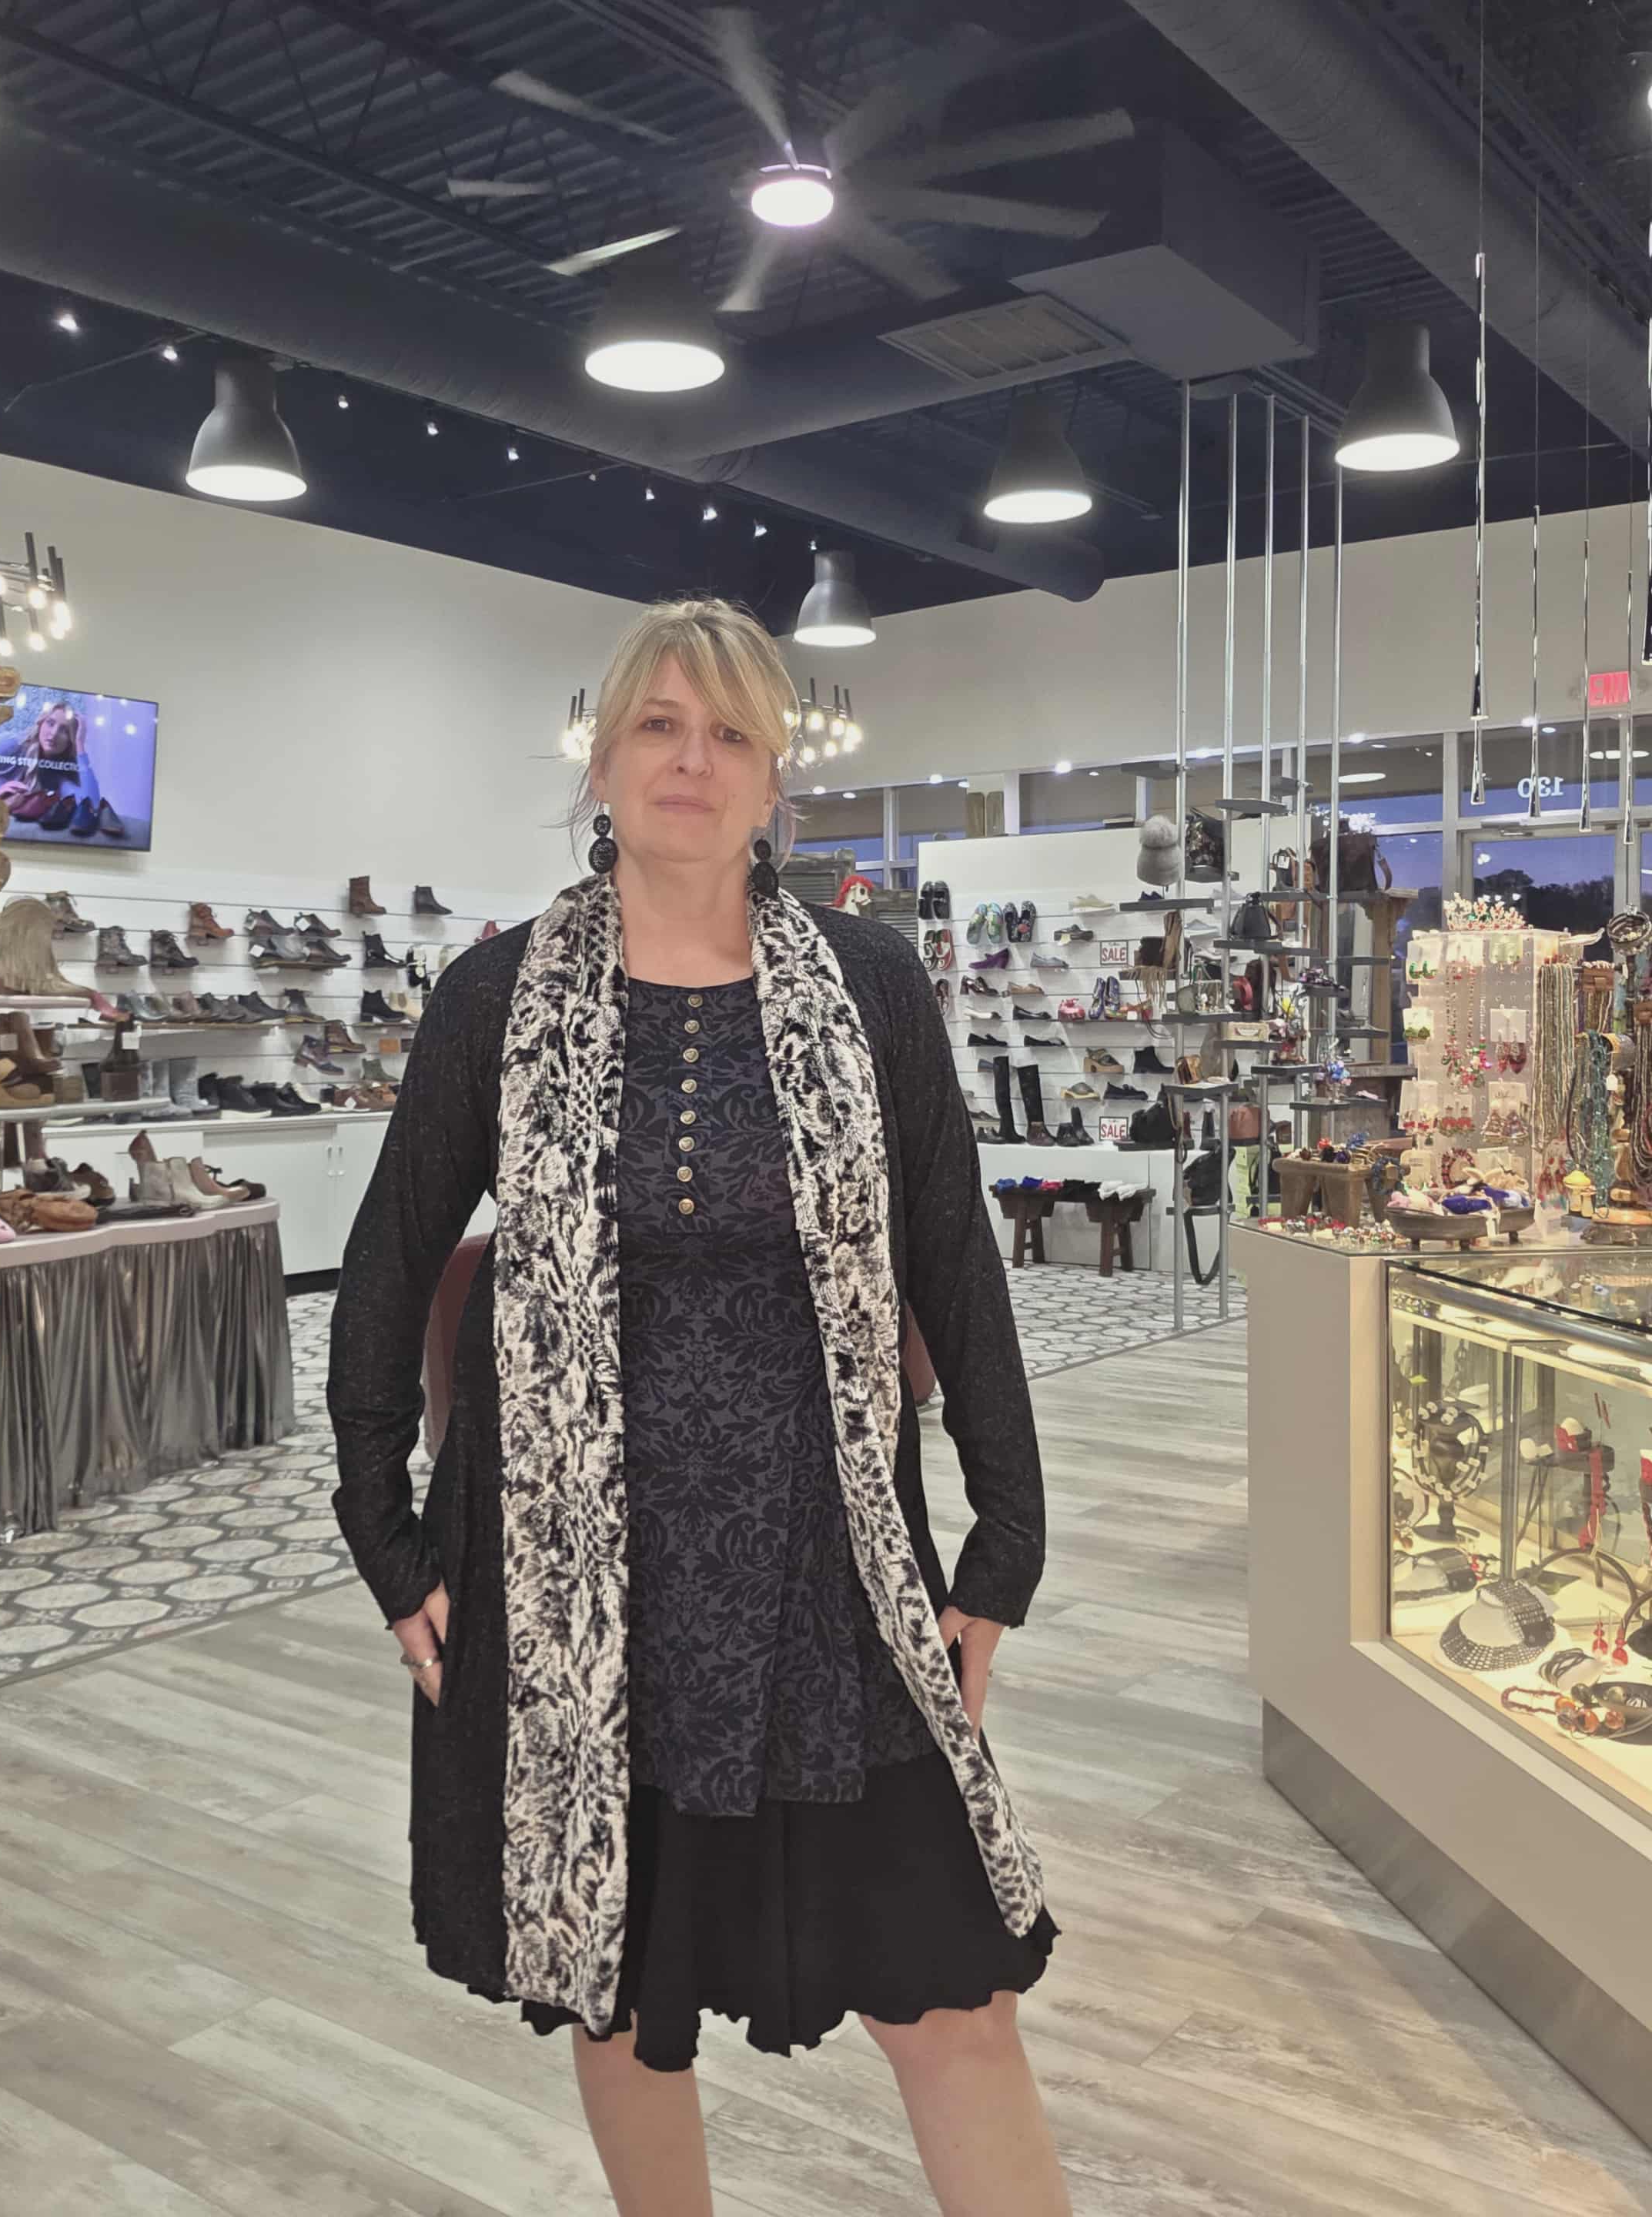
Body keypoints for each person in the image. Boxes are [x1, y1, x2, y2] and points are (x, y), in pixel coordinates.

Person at [326, 596, 1068, 2217]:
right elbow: (387, 1270)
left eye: (731, 733)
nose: (693, 760)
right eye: (659, 725)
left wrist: (1005, 1544)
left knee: (953, 1994)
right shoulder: (496, 999)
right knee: (620, 1992)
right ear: (601, 761)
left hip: (828, 1570)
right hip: (579, 1592)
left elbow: (953, 1259)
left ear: (774, 776)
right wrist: (383, 1535)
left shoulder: (870, 987)